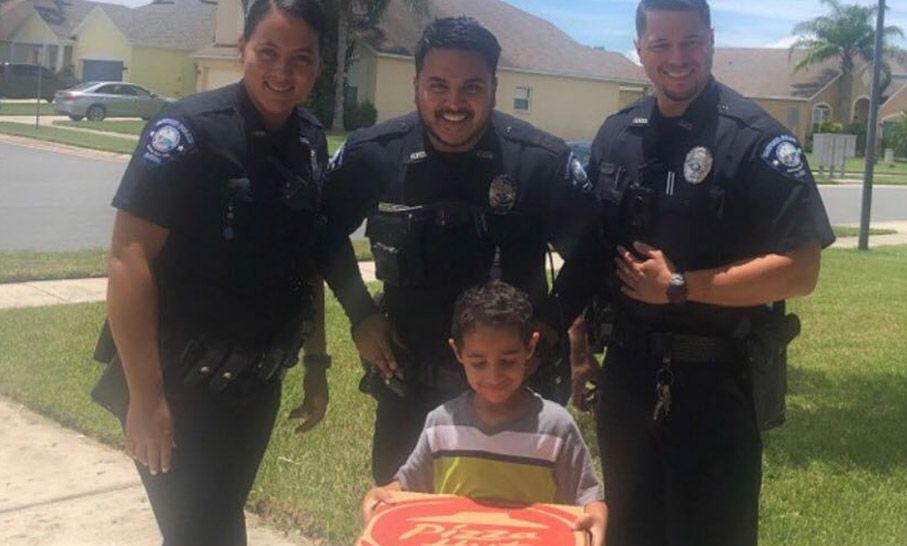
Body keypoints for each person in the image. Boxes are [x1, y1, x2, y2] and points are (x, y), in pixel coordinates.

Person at [572, 1, 837, 544]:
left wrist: (679, 286)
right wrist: (577, 345)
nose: (677, 58)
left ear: (711, 41)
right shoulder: (617, 134)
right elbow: (591, 248)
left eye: (690, 41)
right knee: (629, 529)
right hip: (627, 376)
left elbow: (800, 269)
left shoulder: (754, 139)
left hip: (716, 384)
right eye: (661, 44)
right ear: (640, 49)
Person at [321, 16, 597, 485]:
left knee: (510, 526)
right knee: (404, 522)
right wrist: (360, 314)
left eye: (471, 87)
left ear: (494, 85)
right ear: (416, 85)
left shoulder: (538, 162)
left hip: (511, 398)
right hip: (409, 390)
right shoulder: (374, 154)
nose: (453, 103)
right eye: (438, 85)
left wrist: (552, 322)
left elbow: (592, 252)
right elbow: (322, 232)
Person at [97, 0, 332, 543]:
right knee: (202, 532)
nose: (282, 71)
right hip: (179, 383)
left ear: (318, 66)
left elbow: (307, 258)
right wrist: (146, 399)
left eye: (301, 58)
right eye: (268, 52)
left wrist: (316, 361)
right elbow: (128, 259)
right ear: (241, 50)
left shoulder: (310, 141)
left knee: (215, 524)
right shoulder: (187, 132)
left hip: (256, 385)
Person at [361, 281, 607, 546]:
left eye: (508, 361)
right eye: (478, 363)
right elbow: (406, 488)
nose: (494, 375)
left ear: (530, 348)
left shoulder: (556, 428)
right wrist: (383, 494)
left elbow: (589, 500)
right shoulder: (441, 425)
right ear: (458, 352)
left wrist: (597, 519)